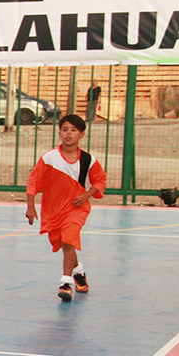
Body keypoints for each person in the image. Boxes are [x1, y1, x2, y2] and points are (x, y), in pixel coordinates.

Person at [26, 114, 107, 301]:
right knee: (64, 244)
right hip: (53, 209)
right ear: (59, 133)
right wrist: (30, 207)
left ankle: (66, 283)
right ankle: (79, 272)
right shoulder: (49, 158)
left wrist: (86, 195)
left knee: (69, 240)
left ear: (82, 134)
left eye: (73, 130)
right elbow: (34, 181)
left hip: (77, 208)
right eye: (65, 130)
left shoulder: (88, 160)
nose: (68, 134)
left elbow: (100, 180)